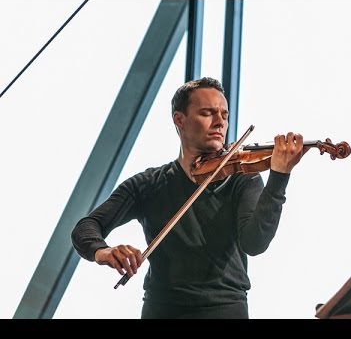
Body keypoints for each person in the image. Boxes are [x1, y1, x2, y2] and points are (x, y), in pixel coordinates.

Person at [71, 76, 308, 319]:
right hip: (162, 309)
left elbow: (254, 243)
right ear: (179, 120)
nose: (219, 122)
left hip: (225, 309)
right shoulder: (149, 183)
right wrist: (104, 252)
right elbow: (86, 227)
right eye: (207, 113)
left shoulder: (241, 178)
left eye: (224, 115)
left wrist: (279, 177)